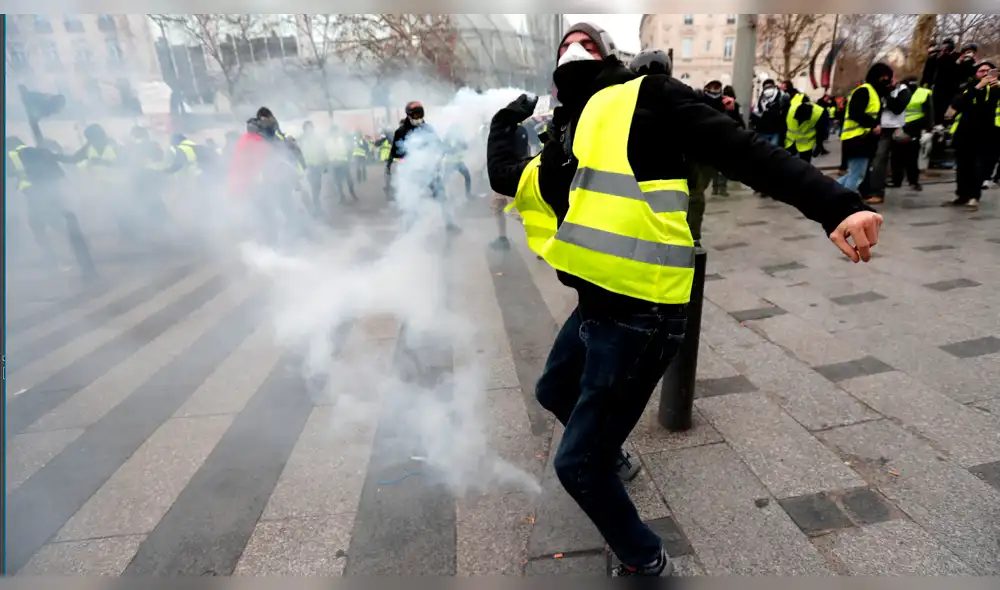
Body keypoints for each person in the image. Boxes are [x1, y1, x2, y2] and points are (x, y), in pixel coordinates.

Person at [487, 22, 882, 578]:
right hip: (597, 306)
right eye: (566, 44)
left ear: (608, 54)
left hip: (643, 313)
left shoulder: (647, 96)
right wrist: (503, 123)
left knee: (576, 465)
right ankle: (612, 457)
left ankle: (645, 558)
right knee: (554, 390)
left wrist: (837, 205)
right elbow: (508, 177)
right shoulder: (564, 136)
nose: (574, 49)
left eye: (586, 42)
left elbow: (742, 151)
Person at [6, 136, 98, 280]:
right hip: (55, 199)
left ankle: (52, 261)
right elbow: (71, 160)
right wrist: (88, 145)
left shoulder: (12, 156)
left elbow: (10, 174)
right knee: (65, 228)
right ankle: (86, 265)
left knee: (40, 230)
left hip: (37, 201)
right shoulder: (43, 152)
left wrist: (23, 185)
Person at [943, 61, 999, 210]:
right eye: (982, 71)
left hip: (986, 134)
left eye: (988, 71)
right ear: (976, 73)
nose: (985, 74)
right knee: (963, 166)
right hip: (965, 133)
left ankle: (974, 196)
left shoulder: (996, 88)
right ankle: (961, 195)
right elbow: (956, 105)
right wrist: (977, 87)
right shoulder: (968, 87)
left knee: (978, 167)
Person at [838, 63, 894, 192]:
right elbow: (855, 113)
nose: (887, 82)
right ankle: (845, 201)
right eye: (885, 78)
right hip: (857, 139)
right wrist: (874, 125)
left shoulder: (873, 93)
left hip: (861, 140)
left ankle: (826, 193)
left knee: (854, 174)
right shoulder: (864, 91)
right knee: (857, 176)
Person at [858, 74, 910, 204]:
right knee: (875, 161)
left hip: (895, 128)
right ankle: (869, 190)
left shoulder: (903, 90)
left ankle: (878, 191)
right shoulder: (877, 90)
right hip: (879, 128)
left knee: (883, 160)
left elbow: (897, 108)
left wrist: (886, 97)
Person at [894, 77, 934, 191]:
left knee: (911, 156)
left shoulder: (924, 93)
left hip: (914, 127)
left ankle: (911, 180)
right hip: (901, 126)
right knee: (898, 155)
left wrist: (928, 128)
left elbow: (929, 111)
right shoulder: (899, 92)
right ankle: (899, 180)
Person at [784, 94, 829, 164]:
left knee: (805, 166)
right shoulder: (790, 109)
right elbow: (783, 125)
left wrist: (819, 145)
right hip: (790, 143)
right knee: (789, 165)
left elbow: (821, 131)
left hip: (806, 145)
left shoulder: (819, 113)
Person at [299, 121, 328, 214]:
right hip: (306, 168)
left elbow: (323, 151)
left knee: (316, 188)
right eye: (308, 128)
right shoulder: (300, 140)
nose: (310, 130)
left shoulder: (317, 139)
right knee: (309, 189)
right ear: (304, 129)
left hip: (316, 167)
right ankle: (313, 210)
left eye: (311, 128)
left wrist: (325, 164)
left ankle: (316, 208)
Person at [325, 125, 358, 203]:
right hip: (334, 163)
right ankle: (341, 196)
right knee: (338, 181)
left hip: (343, 162)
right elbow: (326, 152)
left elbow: (349, 149)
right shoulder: (328, 142)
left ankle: (352, 193)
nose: (334, 133)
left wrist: (349, 158)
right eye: (333, 132)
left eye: (335, 131)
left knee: (349, 180)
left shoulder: (342, 140)